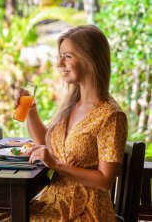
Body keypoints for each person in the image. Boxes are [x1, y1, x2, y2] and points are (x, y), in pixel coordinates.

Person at [14, 25, 127, 221]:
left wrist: (56, 164)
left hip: (85, 211)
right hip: (54, 202)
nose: (59, 63)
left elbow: (104, 181)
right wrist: (31, 110)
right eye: (60, 56)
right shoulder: (72, 105)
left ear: (90, 59)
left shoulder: (111, 115)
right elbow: (46, 143)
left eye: (67, 56)